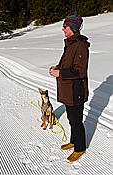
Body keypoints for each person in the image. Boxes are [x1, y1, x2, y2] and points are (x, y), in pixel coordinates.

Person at [49, 13, 90, 163]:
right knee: (71, 118)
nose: (63, 29)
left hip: (76, 91)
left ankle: (80, 148)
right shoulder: (71, 43)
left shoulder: (80, 45)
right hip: (68, 90)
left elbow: (80, 71)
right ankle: (74, 141)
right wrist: (57, 68)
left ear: (72, 27)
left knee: (76, 120)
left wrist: (60, 73)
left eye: (65, 26)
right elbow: (68, 65)